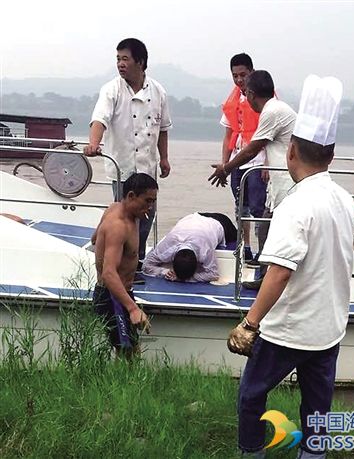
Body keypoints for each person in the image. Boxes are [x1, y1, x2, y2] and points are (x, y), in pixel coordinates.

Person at [227, 75, 354, 458]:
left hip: (289, 328)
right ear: (331, 156)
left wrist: (250, 324)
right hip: (328, 328)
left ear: (290, 153)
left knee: (252, 394)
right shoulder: (342, 199)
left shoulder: (295, 205)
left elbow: (280, 271)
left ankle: (252, 452)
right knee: (317, 409)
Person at [84, 38, 172, 279]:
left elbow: (162, 128)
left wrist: (164, 158)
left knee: (146, 216)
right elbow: (99, 119)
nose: (121, 64)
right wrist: (94, 143)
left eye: (125, 59)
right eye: (118, 59)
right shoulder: (111, 89)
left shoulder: (158, 91)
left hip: (147, 167)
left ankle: (136, 263)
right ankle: (115, 266)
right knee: (123, 220)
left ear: (140, 62)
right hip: (122, 167)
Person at [209, 70, 297, 289]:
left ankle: (268, 279)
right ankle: (265, 275)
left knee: (270, 228)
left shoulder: (272, 111)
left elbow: (251, 150)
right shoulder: (277, 108)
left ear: (250, 93)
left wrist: (225, 168)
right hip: (280, 183)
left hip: (287, 184)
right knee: (267, 227)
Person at [92, 172, 158, 358]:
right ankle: (120, 386)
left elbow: (94, 238)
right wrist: (133, 308)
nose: (150, 206)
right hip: (112, 296)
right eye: (147, 201)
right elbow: (109, 273)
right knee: (128, 353)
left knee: (128, 351)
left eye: (153, 202)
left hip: (122, 294)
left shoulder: (116, 209)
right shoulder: (118, 226)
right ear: (131, 196)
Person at [220, 53, 266, 262]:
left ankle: (263, 251)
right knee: (240, 206)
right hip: (237, 160)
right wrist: (224, 164)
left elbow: (271, 136)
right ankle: (245, 247)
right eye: (235, 76)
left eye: (243, 75)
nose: (239, 80)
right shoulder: (233, 100)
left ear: (251, 72)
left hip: (257, 161)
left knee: (259, 208)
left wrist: (268, 165)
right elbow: (228, 133)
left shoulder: (264, 96)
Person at [142, 212, 237, 282]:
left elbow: (213, 274)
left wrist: (188, 279)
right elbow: (146, 265)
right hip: (193, 218)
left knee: (237, 240)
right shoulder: (167, 246)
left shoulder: (205, 249)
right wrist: (164, 271)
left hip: (220, 222)